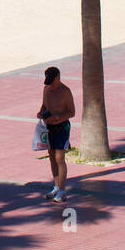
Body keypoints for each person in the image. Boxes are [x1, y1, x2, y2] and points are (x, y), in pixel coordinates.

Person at [38, 66, 75, 203]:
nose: (50, 85)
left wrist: (58, 117)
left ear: (58, 78)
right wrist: (41, 112)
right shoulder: (46, 89)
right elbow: (44, 105)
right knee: (52, 157)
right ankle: (56, 185)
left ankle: (62, 190)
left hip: (62, 127)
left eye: (51, 81)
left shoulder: (65, 91)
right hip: (49, 127)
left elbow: (72, 112)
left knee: (60, 158)